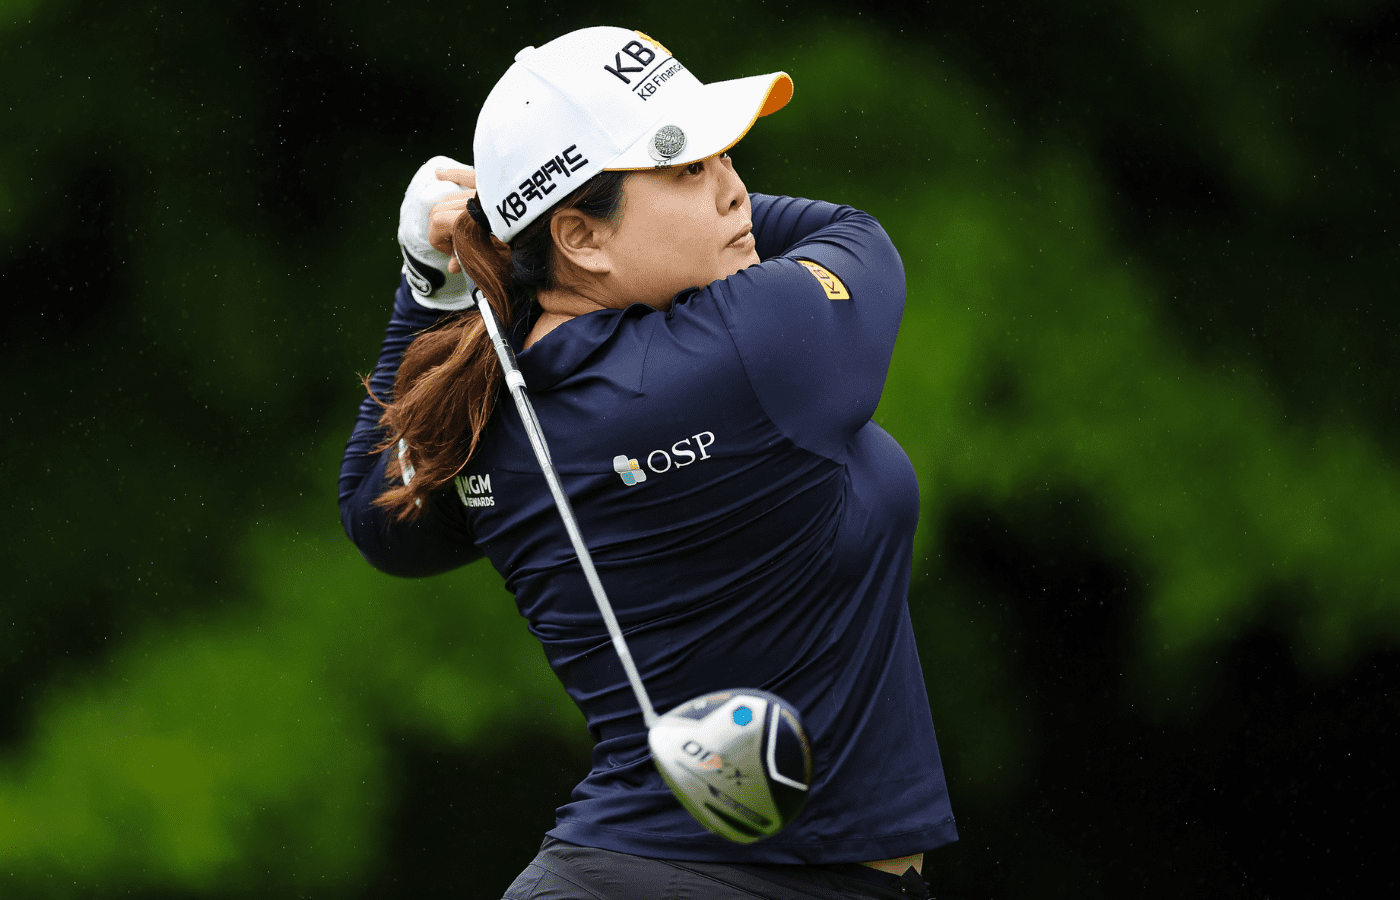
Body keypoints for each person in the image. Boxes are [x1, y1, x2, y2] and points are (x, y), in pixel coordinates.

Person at [339, 26, 957, 900]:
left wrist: (435, 279)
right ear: (583, 238)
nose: (735, 193)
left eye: (726, 159)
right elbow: (854, 234)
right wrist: (501, 244)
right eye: (686, 168)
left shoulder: (495, 399)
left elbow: (379, 521)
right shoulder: (757, 340)